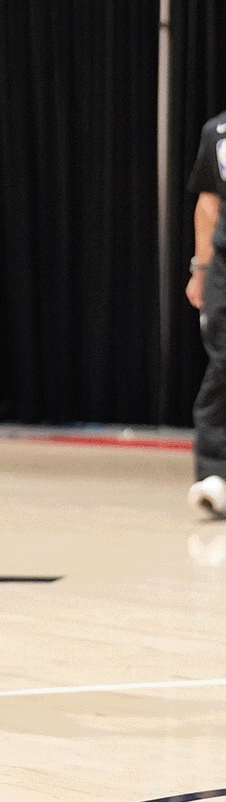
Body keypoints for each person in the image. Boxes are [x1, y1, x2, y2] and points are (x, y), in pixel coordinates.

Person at [185, 109, 226, 518]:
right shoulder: (216, 131)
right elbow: (208, 203)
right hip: (225, 267)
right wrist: (200, 268)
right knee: (222, 363)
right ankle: (214, 474)